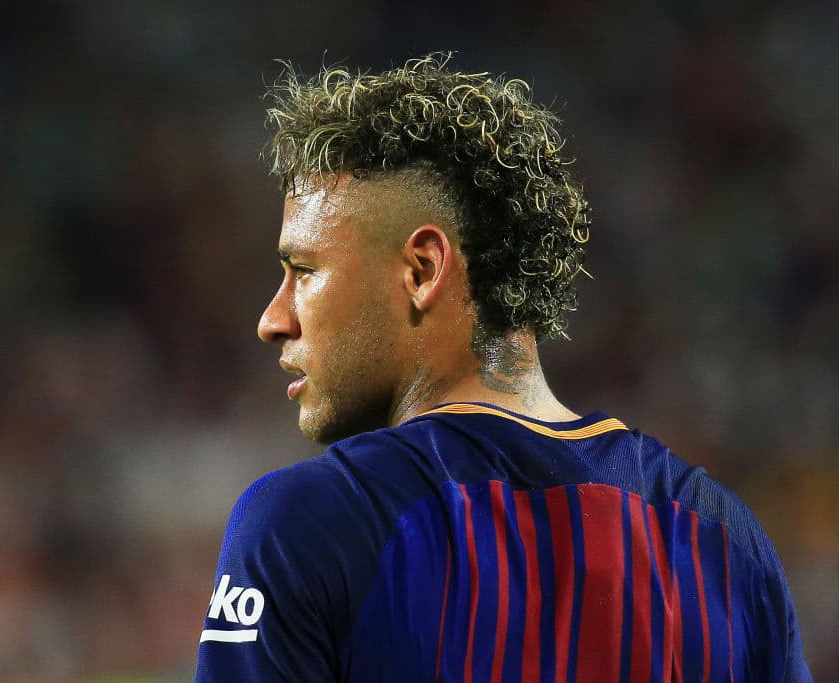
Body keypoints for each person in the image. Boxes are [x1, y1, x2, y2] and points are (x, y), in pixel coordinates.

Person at [194, 54, 811, 682]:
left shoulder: (309, 525)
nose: (273, 319)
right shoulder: (725, 543)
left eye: (304, 270)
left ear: (423, 269)